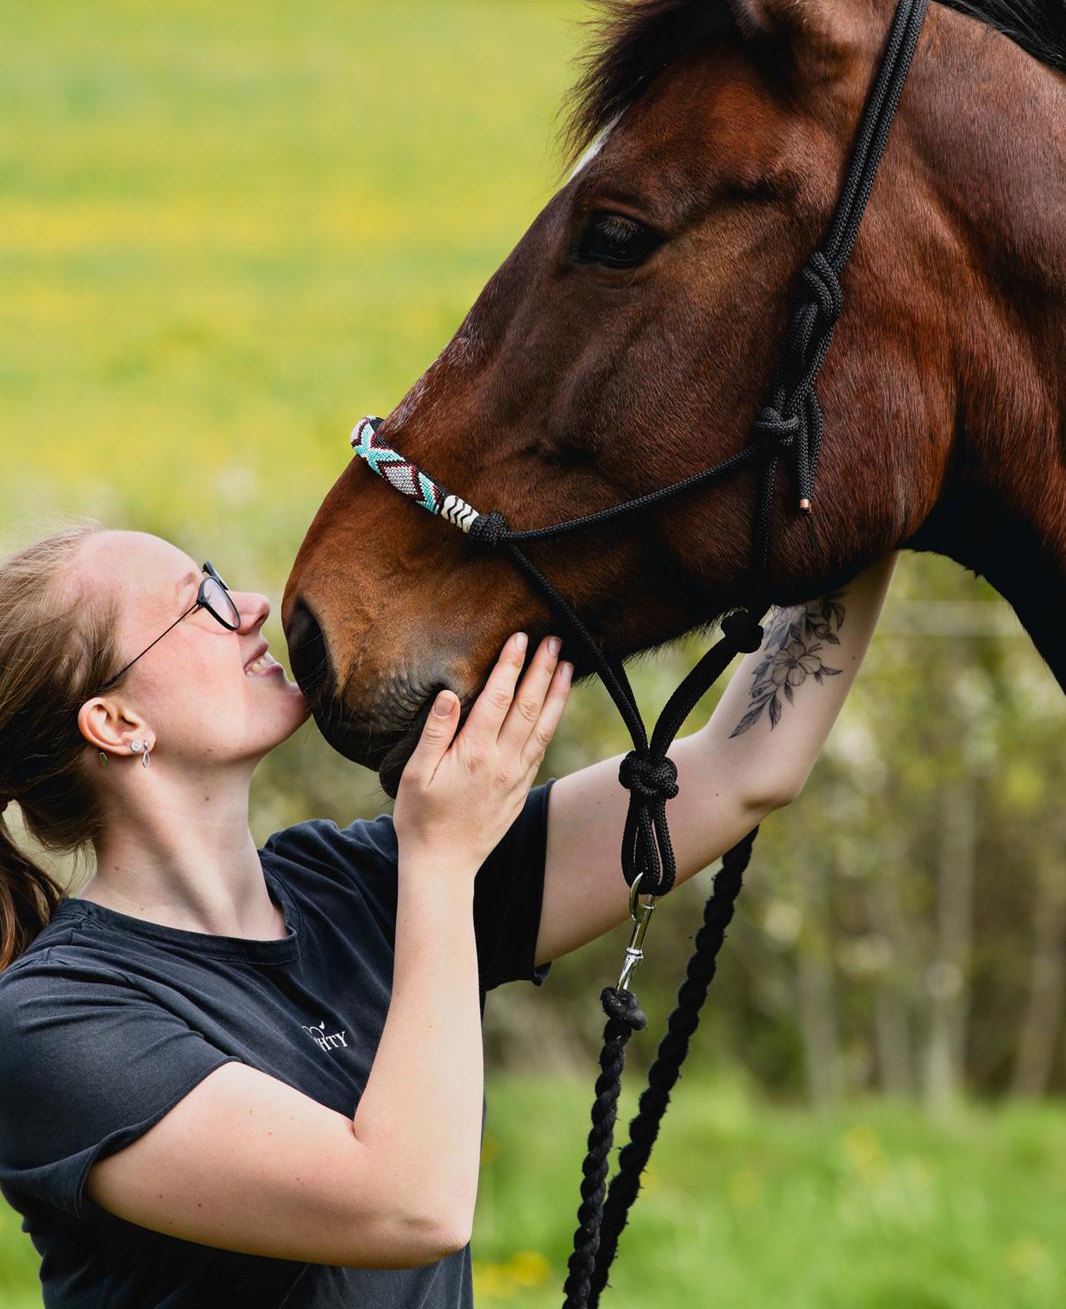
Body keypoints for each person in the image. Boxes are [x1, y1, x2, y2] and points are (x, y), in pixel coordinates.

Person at [0, 520, 896, 1307]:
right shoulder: (52, 1024)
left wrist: (877, 485)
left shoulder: (350, 883)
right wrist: (440, 860)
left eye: (215, 576)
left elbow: (742, 770)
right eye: (195, 601)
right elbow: (407, 1205)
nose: (250, 605)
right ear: (116, 724)